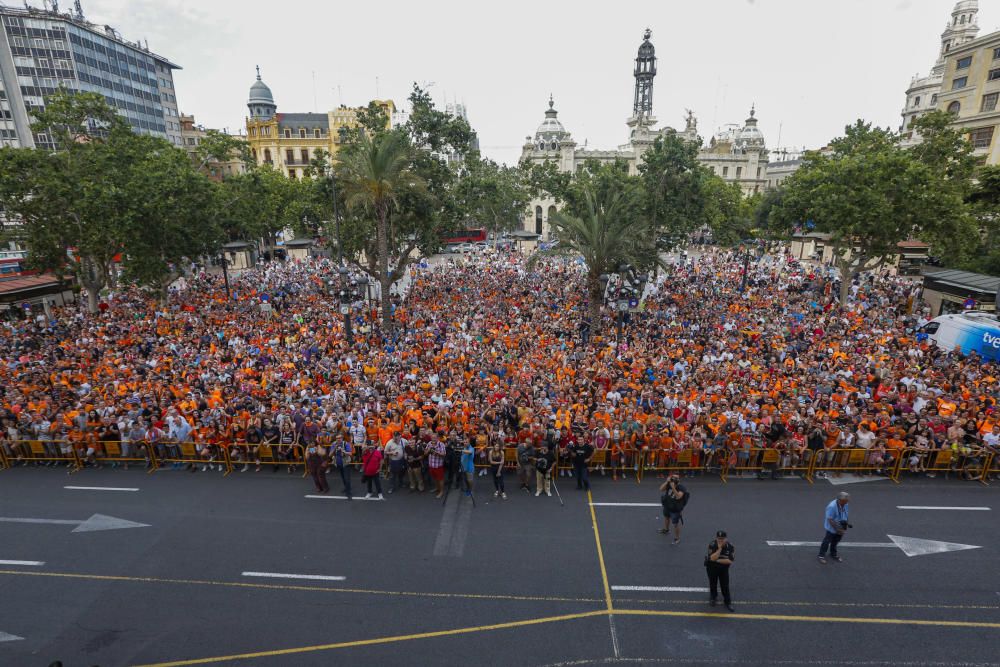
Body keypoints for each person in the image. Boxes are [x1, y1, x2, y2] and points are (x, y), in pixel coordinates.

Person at [704, 529, 735, 612]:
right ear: (716, 538)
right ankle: (713, 597)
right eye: (719, 538)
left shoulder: (731, 546)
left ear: (726, 538)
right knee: (712, 583)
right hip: (712, 568)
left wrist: (717, 560)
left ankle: (727, 602)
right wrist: (720, 548)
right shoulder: (712, 544)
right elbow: (712, 558)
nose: (720, 540)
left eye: (722, 538)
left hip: (723, 569)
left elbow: (729, 561)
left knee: (725, 585)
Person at [818, 491, 850, 563]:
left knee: (835, 541)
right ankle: (821, 555)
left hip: (841, 525)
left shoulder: (845, 504)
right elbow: (830, 519)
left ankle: (833, 554)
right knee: (827, 541)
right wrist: (838, 529)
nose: (847, 502)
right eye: (845, 501)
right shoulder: (832, 507)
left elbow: (846, 514)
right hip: (832, 527)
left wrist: (845, 525)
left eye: (847, 501)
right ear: (840, 500)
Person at [658, 474, 688, 544]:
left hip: (675, 509)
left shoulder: (682, 487)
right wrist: (666, 482)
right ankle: (666, 529)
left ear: (678, 479)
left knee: (675, 524)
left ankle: (677, 538)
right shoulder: (669, 484)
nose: (673, 479)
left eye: (675, 478)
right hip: (668, 505)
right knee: (666, 517)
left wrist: (673, 487)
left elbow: (678, 497)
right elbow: (661, 489)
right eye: (673, 478)